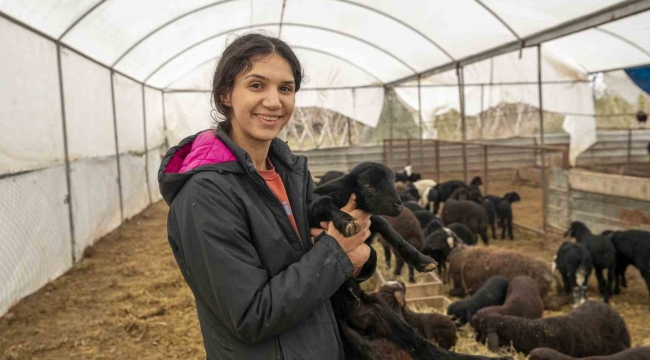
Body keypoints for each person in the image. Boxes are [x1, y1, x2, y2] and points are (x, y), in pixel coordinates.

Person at [158, 33, 375, 360]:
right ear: (225, 94)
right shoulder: (204, 196)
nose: (274, 101)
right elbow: (250, 314)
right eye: (257, 85)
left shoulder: (292, 173)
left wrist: (359, 258)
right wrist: (337, 253)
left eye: (285, 88)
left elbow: (316, 259)